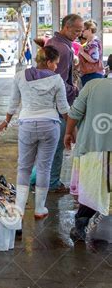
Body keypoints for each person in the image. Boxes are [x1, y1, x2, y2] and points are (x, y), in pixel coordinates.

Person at [0, 45, 69, 220]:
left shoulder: (20, 76)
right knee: (44, 167)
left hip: (27, 125)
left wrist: (6, 121)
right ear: (49, 61)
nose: (56, 67)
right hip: (50, 125)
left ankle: (19, 209)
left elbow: (13, 102)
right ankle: (39, 209)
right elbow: (64, 108)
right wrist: (71, 129)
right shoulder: (57, 79)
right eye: (55, 63)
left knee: (24, 167)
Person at [30, 14, 84, 193]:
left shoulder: (53, 43)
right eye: (76, 31)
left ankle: (38, 179)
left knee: (47, 146)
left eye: (81, 31)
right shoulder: (63, 49)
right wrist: (74, 90)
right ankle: (52, 183)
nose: (79, 34)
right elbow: (57, 82)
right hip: (57, 107)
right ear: (66, 27)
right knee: (58, 146)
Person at [65, 78, 112, 241]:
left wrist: (68, 133)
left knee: (92, 189)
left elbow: (74, 112)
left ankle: (80, 226)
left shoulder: (93, 85)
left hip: (93, 148)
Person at [78, 20, 104, 86]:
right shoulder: (89, 43)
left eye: (83, 30)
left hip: (93, 75)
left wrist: (82, 52)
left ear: (89, 30)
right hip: (90, 74)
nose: (81, 32)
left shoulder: (94, 43)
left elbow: (94, 59)